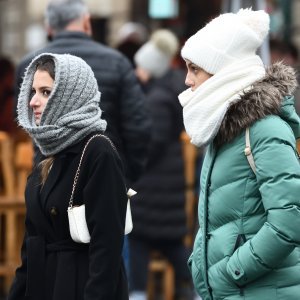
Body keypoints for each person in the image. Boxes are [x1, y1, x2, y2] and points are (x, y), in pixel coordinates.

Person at [178, 8, 300, 300]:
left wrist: (228, 273)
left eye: (195, 69)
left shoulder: (264, 129)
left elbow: (289, 222)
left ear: (223, 72)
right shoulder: (224, 130)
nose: (186, 80)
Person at [7, 53, 129, 300]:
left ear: (69, 96)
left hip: (78, 286)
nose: (33, 101)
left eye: (45, 92)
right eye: (33, 91)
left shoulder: (97, 151)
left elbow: (107, 248)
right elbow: (31, 245)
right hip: (45, 285)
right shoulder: (48, 152)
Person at [15, 0, 150, 184]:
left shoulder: (29, 65)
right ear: (86, 21)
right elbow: (137, 125)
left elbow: (28, 124)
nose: (34, 101)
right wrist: (126, 173)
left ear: (48, 27)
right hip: (106, 173)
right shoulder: (117, 62)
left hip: (47, 174)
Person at [129, 29, 193, 300]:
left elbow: (150, 144)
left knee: (139, 239)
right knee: (171, 244)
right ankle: (197, 289)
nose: (136, 72)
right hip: (166, 186)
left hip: (152, 187)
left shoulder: (155, 99)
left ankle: (137, 293)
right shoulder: (167, 91)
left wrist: (130, 162)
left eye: (141, 67)